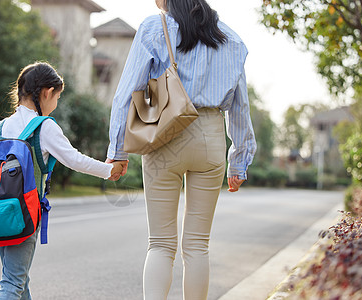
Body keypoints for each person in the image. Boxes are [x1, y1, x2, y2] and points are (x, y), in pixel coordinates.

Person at [107, 0, 257, 299]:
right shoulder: (233, 40)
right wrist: (239, 161)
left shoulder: (154, 27)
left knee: (161, 244)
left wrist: (118, 149)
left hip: (163, 133)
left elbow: (127, 92)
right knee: (198, 244)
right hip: (210, 136)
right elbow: (240, 107)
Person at [0, 62, 125, 300]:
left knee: (18, 278)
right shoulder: (43, 127)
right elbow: (74, 160)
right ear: (46, 93)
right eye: (57, 97)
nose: (56, 104)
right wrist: (109, 171)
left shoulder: (1, 126)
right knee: (13, 281)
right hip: (24, 215)